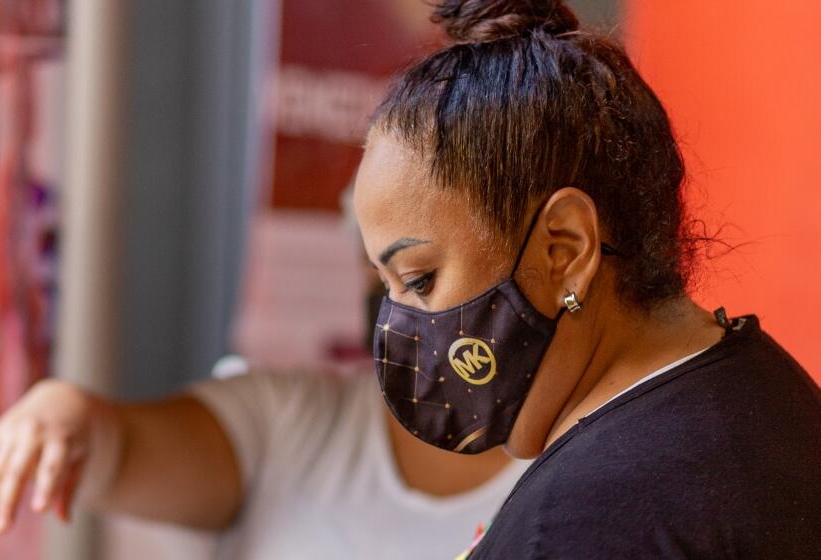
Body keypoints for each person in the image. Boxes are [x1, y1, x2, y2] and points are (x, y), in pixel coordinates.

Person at [351, 0, 820, 558]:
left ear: (565, 249)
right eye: (389, 286)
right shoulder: (756, 390)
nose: (399, 326)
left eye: (420, 279)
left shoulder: (587, 525)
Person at [0, 233, 529, 557]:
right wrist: (66, 416)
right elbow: (121, 450)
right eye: (375, 271)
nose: (391, 304)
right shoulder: (291, 416)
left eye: (420, 276)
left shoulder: (571, 485)